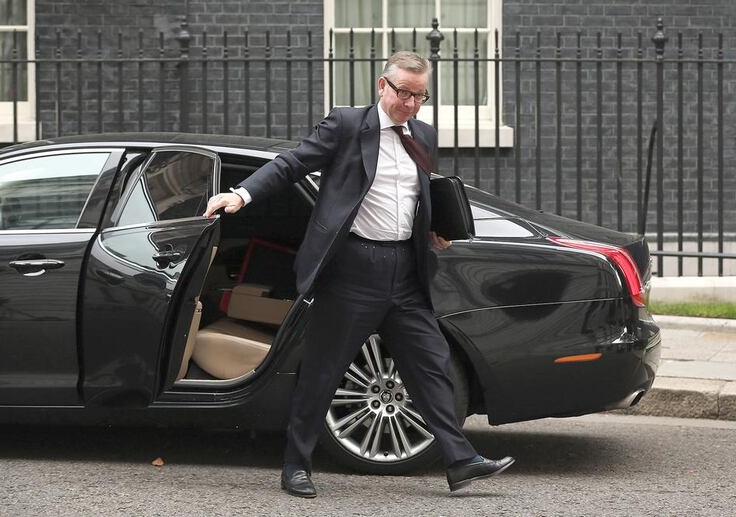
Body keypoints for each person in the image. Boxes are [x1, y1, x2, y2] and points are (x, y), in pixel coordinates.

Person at [203, 51, 513, 498]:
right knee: (324, 371)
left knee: (431, 366)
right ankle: (296, 465)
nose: (409, 103)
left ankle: (460, 460)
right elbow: (292, 164)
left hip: (405, 271)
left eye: (419, 95)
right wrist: (241, 194)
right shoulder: (347, 125)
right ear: (381, 86)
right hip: (352, 269)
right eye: (402, 92)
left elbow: (413, 194)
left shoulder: (422, 134)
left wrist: (432, 230)